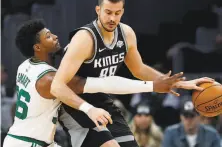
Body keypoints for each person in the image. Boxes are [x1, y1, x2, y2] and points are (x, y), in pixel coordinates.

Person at [51, 0, 214, 147]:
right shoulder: (85, 39)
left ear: (122, 11)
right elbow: (57, 86)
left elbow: (139, 69)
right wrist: (89, 109)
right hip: (73, 103)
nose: (112, 18)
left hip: (101, 97)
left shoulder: (126, 33)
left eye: (117, 13)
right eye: (108, 12)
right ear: (98, 10)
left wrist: (179, 83)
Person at [3, 19, 190, 147]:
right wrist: (151, 85)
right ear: (38, 47)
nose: (55, 37)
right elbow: (104, 84)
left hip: (28, 139)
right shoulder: (50, 79)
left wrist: (70, 54)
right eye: (49, 37)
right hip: (28, 142)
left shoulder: (25, 66)